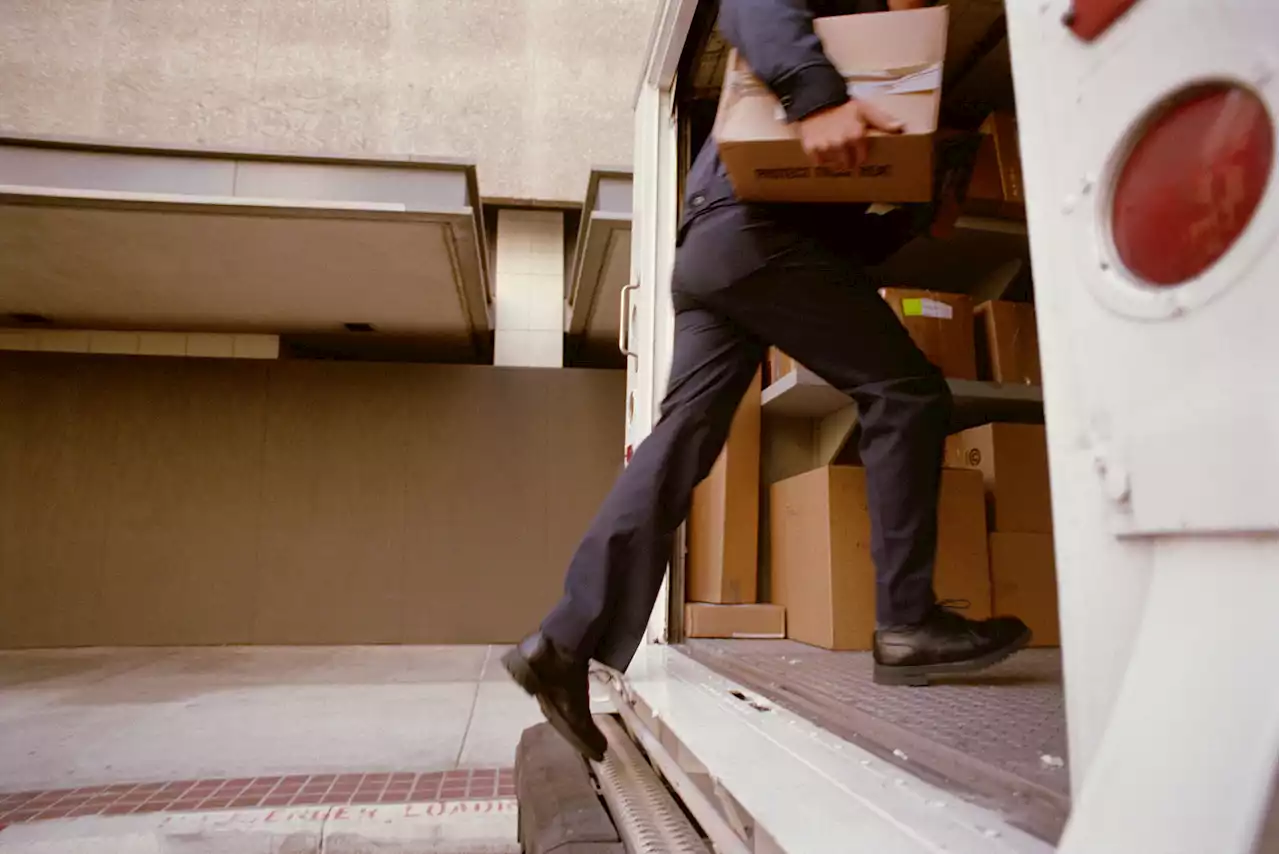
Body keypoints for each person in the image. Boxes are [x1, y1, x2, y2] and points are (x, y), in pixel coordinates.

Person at [504, 0, 1030, 762]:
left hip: (724, 250)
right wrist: (816, 95)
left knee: (678, 444)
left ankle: (561, 642)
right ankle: (908, 622)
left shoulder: (854, 67)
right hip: (753, 233)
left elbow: (838, 243)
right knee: (907, 391)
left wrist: (918, 213)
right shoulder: (840, 36)